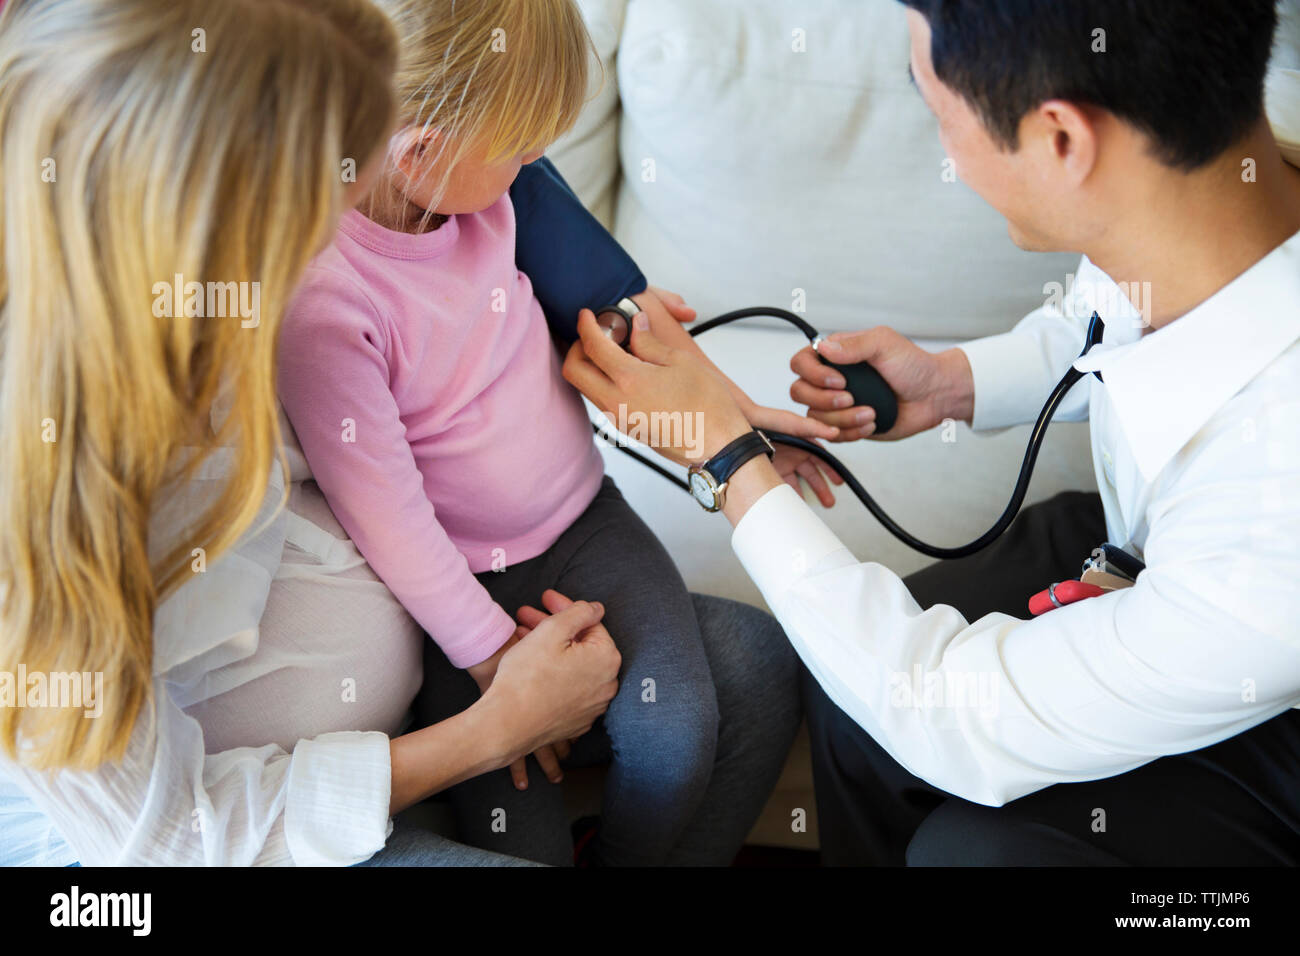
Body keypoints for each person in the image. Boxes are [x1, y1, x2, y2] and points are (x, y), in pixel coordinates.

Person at [561, 0, 1300, 865]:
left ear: (1061, 139)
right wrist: (954, 384)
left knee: (976, 853)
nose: (946, 151)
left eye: (937, 112)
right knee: (853, 693)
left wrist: (726, 459)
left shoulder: (1269, 513)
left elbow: (953, 714)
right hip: (1163, 553)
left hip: (1268, 709)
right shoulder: (1217, 180)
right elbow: (1106, 316)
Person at [276, 0, 805, 866]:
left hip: (591, 523)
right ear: (420, 153)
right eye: (520, 148)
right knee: (520, 835)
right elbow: (387, 515)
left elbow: (584, 310)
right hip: (464, 593)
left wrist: (666, 361)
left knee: (677, 733)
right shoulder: (328, 305)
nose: (533, 166)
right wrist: (493, 662)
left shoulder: (483, 202)